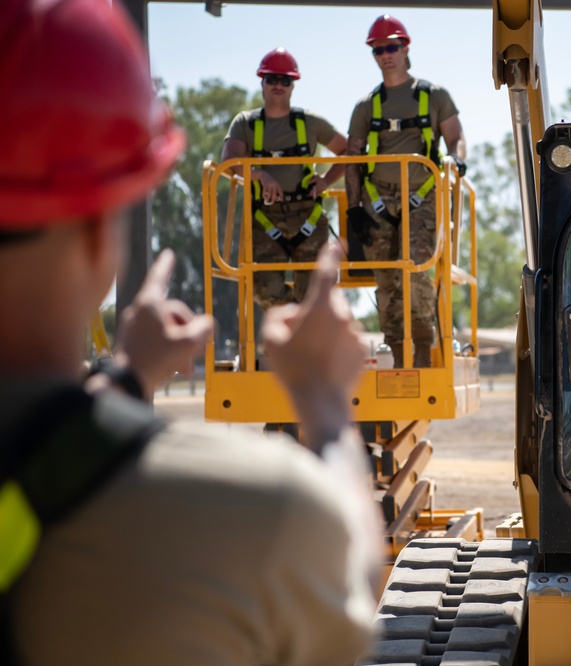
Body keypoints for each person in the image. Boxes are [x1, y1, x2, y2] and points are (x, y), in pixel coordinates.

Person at [0, 1, 377, 664]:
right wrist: (322, 403)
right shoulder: (250, 515)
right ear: (100, 231)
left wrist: (122, 380)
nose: (277, 90)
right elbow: (346, 564)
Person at [345, 14, 467, 368]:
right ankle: (396, 355)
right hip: (378, 199)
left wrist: (457, 161)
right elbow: (353, 157)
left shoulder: (433, 96)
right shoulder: (366, 106)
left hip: (423, 197)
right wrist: (354, 208)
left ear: (405, 48)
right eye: (378, 49)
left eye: (392, 47)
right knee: (387, 280)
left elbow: (456, 137)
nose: (385, 54)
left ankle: (423, 351)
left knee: (418, 271)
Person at [222, 47, 349, 308]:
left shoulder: (310, 122)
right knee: (265, 291)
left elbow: (348, 151)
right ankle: (293, 330)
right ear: (262, 83)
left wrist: (325, 180)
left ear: (293, 85)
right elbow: (229, 163)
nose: (278, 85)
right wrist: (259, 174)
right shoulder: (245, 123)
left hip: (308, 218)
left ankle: (305, 334)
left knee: (315, 296)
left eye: (285, 80)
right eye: (272, 79)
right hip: (265, 219)